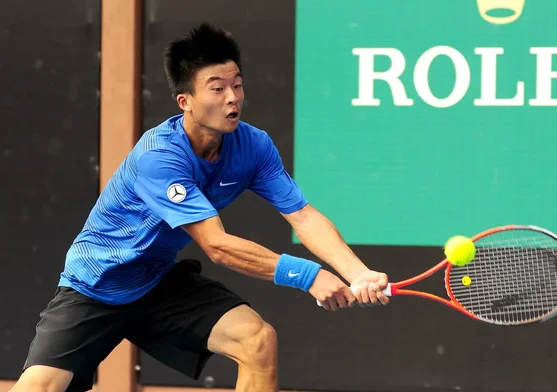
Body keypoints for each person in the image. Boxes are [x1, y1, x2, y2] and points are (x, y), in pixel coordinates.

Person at [9, 22, 389, 392]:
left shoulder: (254, 146)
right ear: (185, 101)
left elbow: (303, 216)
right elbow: (217, 246)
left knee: (257, 340)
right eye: (218, 88)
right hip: (96, 284)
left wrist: (357, 273)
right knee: (39, 387)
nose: (232, 98)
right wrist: (307, 276)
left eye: (237, 85)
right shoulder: (159, 156)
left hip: (157, 280)